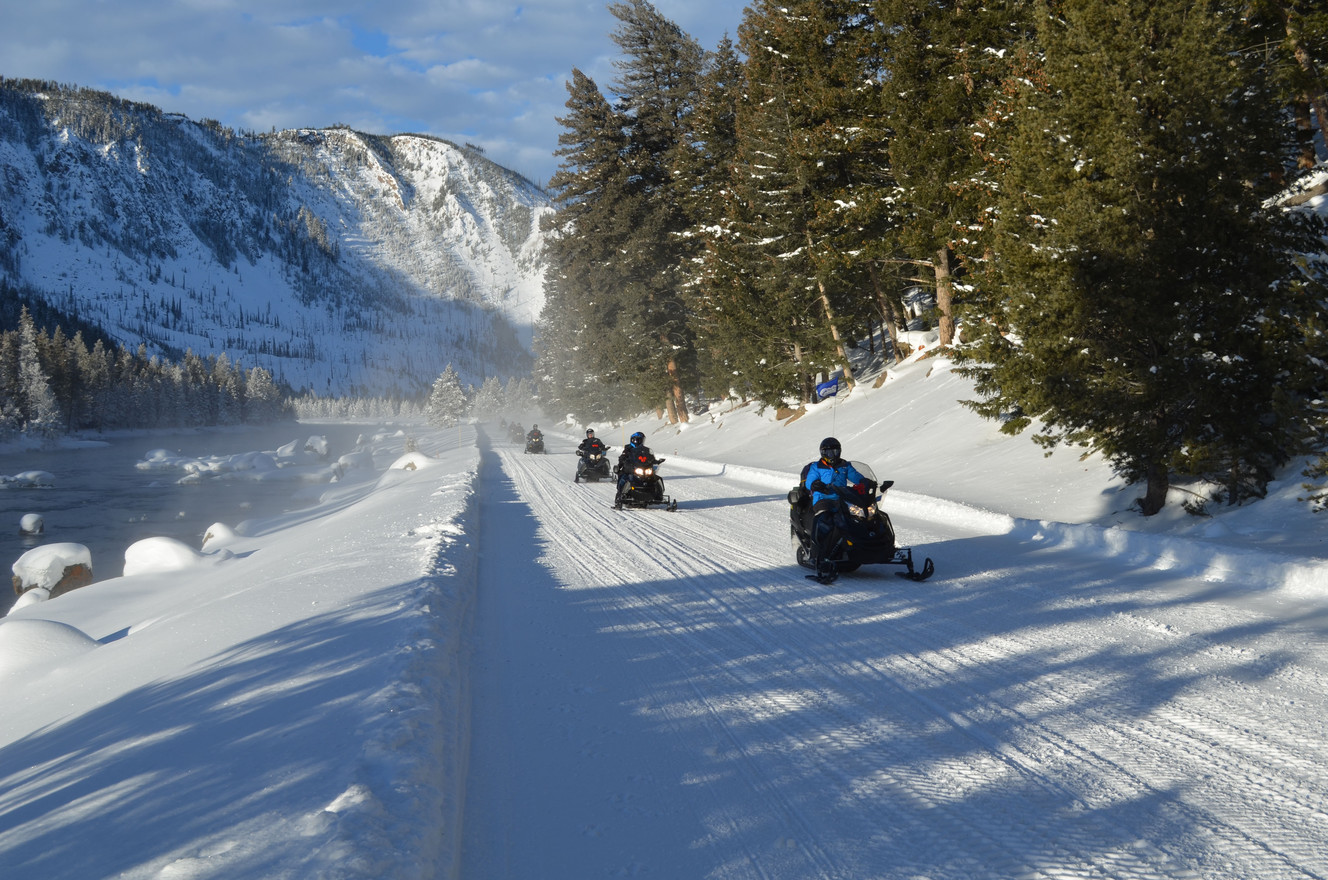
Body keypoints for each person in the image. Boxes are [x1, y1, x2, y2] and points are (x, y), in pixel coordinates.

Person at [803, 437, 867, 579]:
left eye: (836, 451)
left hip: (842, 499)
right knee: (825, 520)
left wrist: (866, 482)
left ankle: (857, 550)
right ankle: (817, 554)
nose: (833, 455)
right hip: (823, 499)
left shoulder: (844, 466)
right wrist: (815, 485)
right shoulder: (816, 467)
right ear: (823, 453)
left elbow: (856, 476)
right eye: (830, 452)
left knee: (859, 518)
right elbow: (809, 482)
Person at [615, 431, 649, 503]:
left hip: (642, 469)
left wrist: (655, 461)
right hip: (630, 469)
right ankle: (620, 494)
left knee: (654, 478)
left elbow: (649, 457)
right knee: (623, 478)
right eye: (639, 440)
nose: (641, 441)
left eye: (642, 440)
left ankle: (658, 495)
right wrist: (622, 462)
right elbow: (622, 457)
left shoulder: (645, 450)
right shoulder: (628, 448)